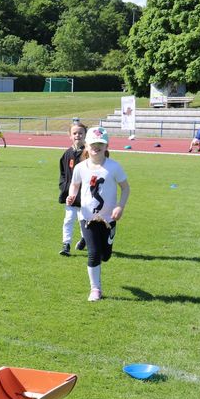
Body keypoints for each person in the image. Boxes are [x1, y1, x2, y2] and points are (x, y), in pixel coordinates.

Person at [66, 127, 130, 302]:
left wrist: (120, 207)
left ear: (106, 145)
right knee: (93, 253)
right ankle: (95, 289)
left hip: (109, 218)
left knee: (105, 255)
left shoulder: (113, 167)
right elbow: (74, 185)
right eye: (93, 144)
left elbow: (125, 188)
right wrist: (71, 196)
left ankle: (109, 239)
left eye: (100, 144)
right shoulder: (80, 168)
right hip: (87, 217)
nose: (96, 147)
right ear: (86, 145)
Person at [58, 122, 87, 256]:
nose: (77, 135)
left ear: (85, 135)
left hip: (85, 195)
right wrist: (64, 187)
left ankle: (84, 238)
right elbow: (63, 173)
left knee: (83, 219)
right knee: (68, 219)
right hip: (70, 194)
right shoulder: (67, 154)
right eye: (74, 133)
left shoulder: (88, 153)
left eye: (80, 133)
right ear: (70, 135)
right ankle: (66, 244)